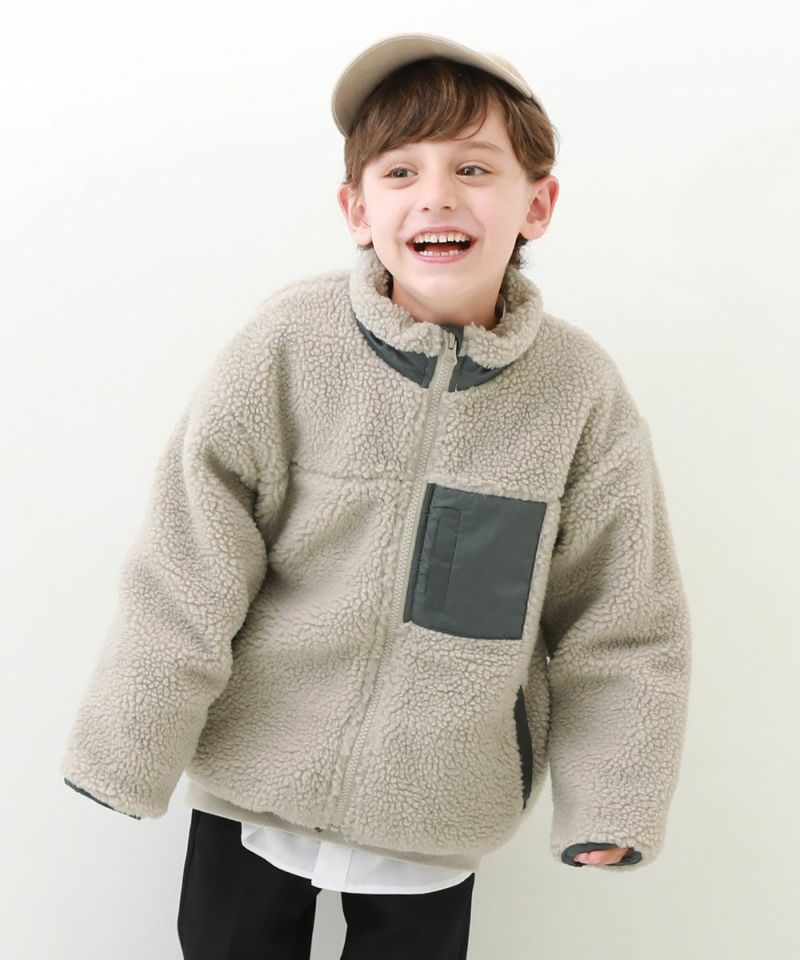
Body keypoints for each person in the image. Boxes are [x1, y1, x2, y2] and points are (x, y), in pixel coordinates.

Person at [59, 31, 692, 959]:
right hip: (255, 780)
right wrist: (127, 746)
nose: (436, 195)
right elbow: (189, 558)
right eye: (401, 171)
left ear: (538, 204)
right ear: (358, 210)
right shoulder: (289, 343)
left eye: (473, 167)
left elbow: (623, 618)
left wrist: (612, 799)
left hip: (438, 805)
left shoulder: (578, 395)